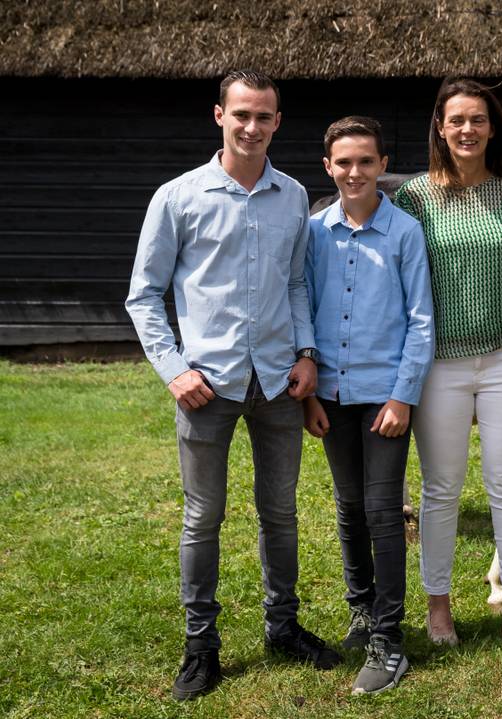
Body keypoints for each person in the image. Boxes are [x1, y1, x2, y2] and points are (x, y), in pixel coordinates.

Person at [124, 69, 341, 701]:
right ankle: (202, 647)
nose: (252, 127)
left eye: (264, 117)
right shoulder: (178, 197)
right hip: (207, 385)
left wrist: (307, 353)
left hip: (278, 382)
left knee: (280, 512)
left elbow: (297, 283)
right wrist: (174, 369)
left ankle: (284, 627)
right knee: (203, 517)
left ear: (278, 122)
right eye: (241, 114)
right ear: (219, 115)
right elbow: (143, 297)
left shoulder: (295, 195)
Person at [393, 78, 502, 652]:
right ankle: (437, 605)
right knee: (440, 489)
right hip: (437, 363)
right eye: (455, 121)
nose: (466, 130)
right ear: (440, 130)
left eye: (477, 120)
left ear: (492, 128)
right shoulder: (413, 198)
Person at [302, 116, 434, 694]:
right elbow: (302, 303)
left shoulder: (405, 232)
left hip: (385, 399)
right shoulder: (314, 232)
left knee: (384, 512)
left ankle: (389, 639)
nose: (355, 172)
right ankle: (360, 610)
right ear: (328, 167)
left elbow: (421, 321)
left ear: (383, 165)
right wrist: (308, 392)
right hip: (330, 395)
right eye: (343, 163)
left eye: (366, 161)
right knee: (348, 506)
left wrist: (403, 396)